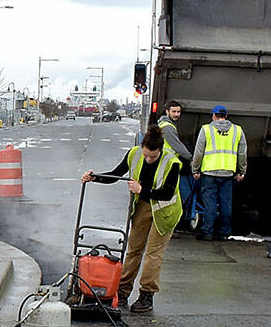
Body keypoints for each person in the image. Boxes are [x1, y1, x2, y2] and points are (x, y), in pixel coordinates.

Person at [82, 121, 182, 313]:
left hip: (165, 210)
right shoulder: (134, 153)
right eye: (146, 155)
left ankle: (146, 294)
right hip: (143, 206)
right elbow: (116, 174)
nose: (148, 159)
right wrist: (95, 177)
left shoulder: (172, 162)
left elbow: (167, 193)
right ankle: (122, 291)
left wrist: (141, 189)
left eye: (153, 156)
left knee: (153, 253)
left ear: (160, 150)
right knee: (134, 250)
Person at [191, 105, 246, 240]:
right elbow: (242, 153)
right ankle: (224, 233)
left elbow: (199, 152)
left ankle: (207, 232)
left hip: (209, 173)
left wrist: (195, 169)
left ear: (213, 116)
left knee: (210, 203)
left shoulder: (206, 129)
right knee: (225, 204)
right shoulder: (237, 130)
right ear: (226, 116)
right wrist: (242, 171)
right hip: (228, 173)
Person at [140, 99, 196, 227]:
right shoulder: (168, 127)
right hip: (168, 163)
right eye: (174, 111)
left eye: (178, 112)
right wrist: (191, 158)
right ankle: (170, 220)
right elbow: (177, 146)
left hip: (164, 162)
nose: (176, 114)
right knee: (176, 193)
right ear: (167, 112)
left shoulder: (163, 124)